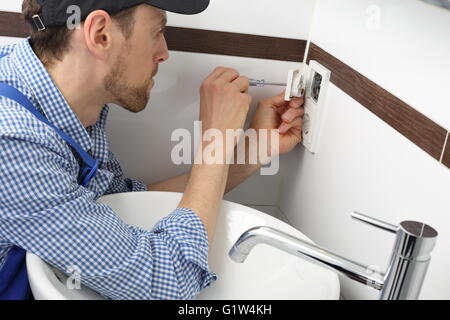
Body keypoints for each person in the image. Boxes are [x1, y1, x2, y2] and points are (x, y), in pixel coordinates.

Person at [0, 0, 304, 300]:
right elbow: (167, 281)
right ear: (100, 35)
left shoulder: (59, 101)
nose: (164, 53)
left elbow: (125, 202)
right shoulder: (12, 144)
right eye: (157, 31)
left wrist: (254, 152)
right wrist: (216, 141)